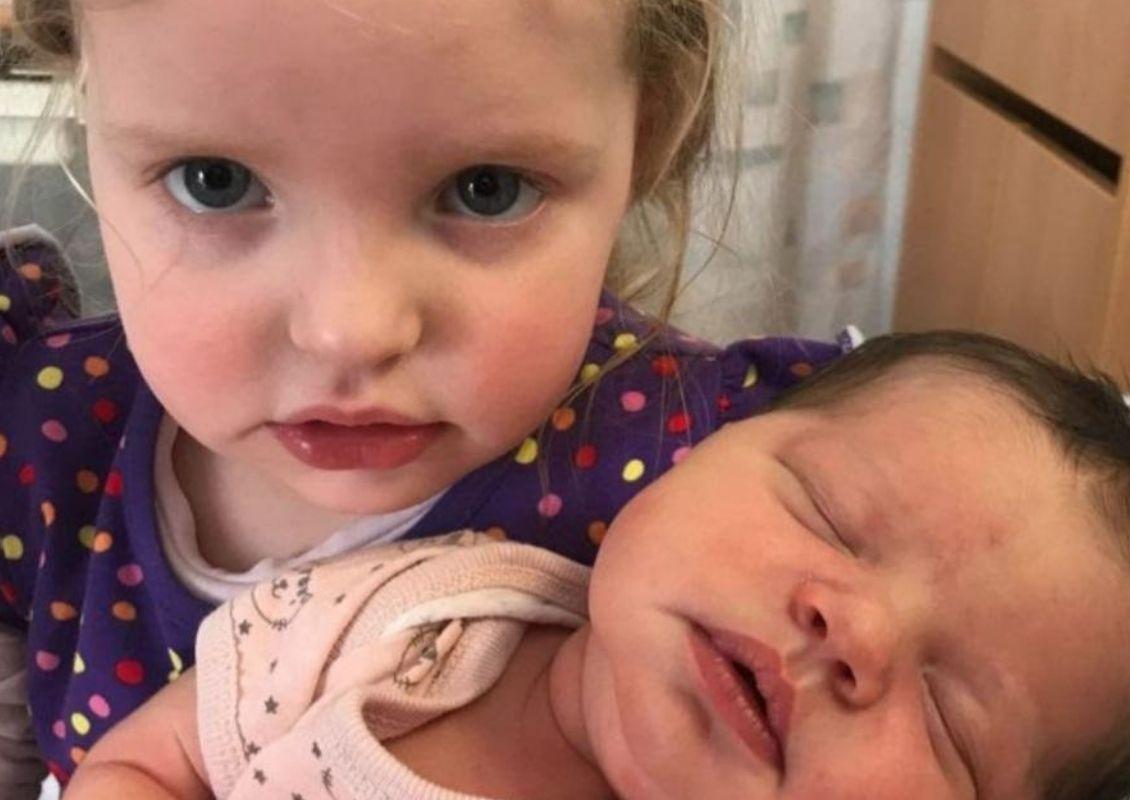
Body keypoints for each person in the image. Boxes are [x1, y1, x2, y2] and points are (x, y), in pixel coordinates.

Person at [0, 0, 851, 792]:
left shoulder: (727, 479)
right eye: (213, 181)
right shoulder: (40, 437)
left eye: (488, 188)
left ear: (648, 137)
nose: (350, 331)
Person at [63, 333, 1130, 800]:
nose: (854, 626)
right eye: (827, 514)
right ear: (697, 452)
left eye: (952, 719)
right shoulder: (423, 611)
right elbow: (154, 762)